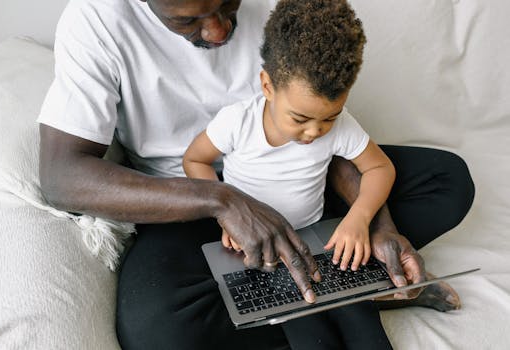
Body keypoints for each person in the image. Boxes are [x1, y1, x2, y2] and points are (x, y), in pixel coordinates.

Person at [37, 0, 475, 348]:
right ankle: (352, 289)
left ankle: (333, 280)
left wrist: (376, 222)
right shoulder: (95, 20)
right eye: (188, 20)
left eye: (228, 5)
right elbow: (62, 176)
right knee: (155, 331)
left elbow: (322, 136)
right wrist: (224, 201)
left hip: (302, 177)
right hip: (187, 198)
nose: (218, 31)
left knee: (447, 181)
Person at [183, 1, 396, 272]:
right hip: (247, 240)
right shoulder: (238, 121)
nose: (315, 131)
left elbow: (380, 167)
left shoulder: (341, 125)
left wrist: (359, 218)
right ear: (267, 86)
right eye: (299, 119)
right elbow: (195, 159)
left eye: (330, 117)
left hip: (311, 237)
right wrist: (226, 217)